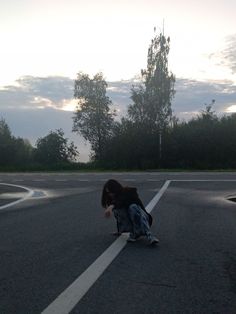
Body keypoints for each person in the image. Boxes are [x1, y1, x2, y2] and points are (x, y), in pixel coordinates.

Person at [101, 179, 159, 245]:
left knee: (133, 207)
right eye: (108, 193)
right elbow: (119, 212)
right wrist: (119, 231)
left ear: (116, 189)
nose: (110, 194)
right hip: (130, 224)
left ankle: (149, 235)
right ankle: (134, 233)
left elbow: (122, 200)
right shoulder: (113, 199)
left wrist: (112, 206)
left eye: (111, 192)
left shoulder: (130, 192)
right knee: (117, 209)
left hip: (143, 220)